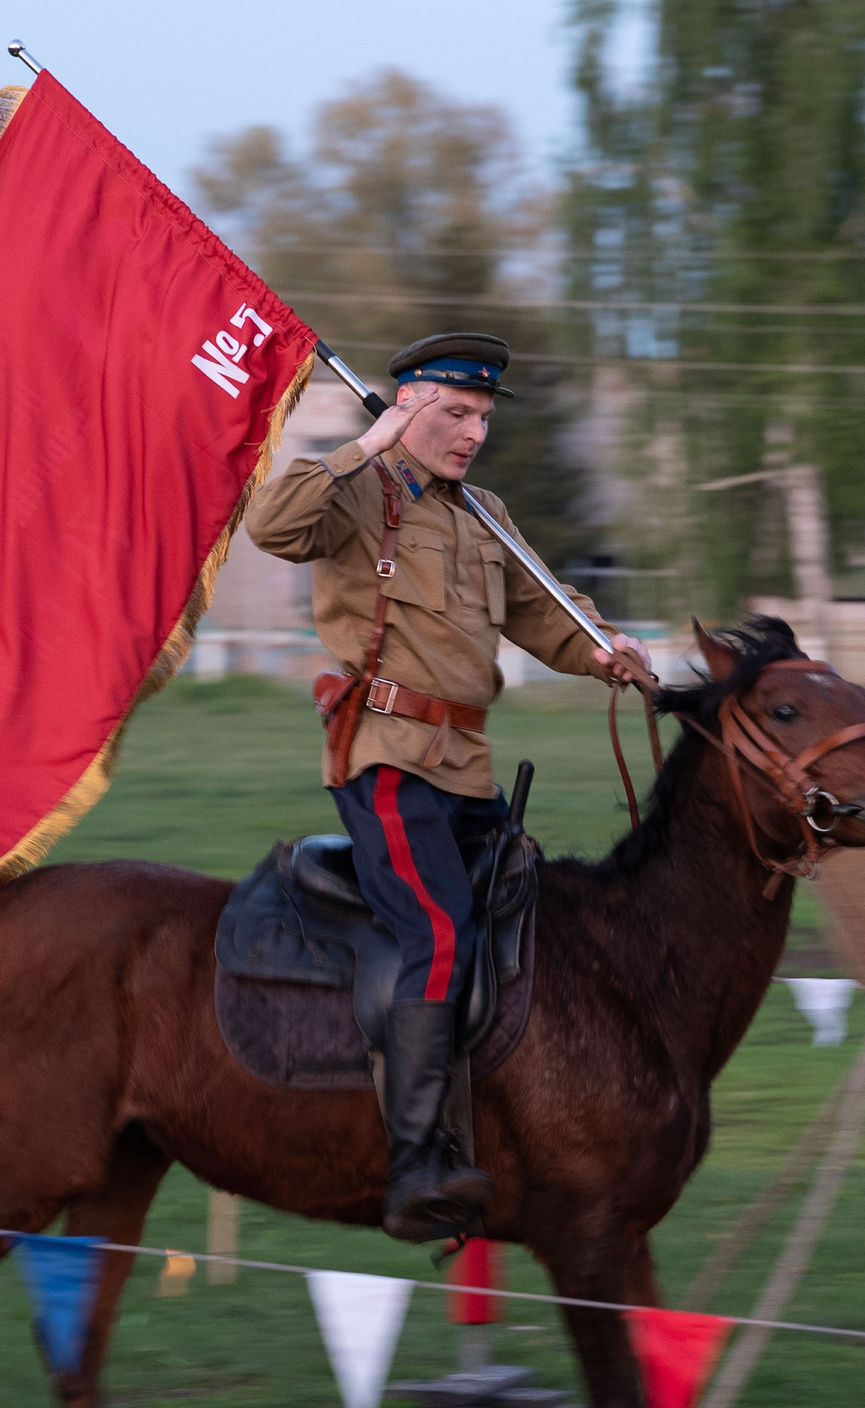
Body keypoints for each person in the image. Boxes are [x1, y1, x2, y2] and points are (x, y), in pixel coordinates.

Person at [245, 333, 649, 1242]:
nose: (473, 433)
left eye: (483, 419)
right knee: (437, 931)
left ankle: (506, 1123)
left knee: (520, 929)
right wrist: (369, 443)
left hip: (466, 766)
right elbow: (273, 526)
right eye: (457, 414)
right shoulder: (358, 492)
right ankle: (417, 1160)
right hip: (385, 755)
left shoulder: (487, 512)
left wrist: (607, 652)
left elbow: (547, 611)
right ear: (412, 405)